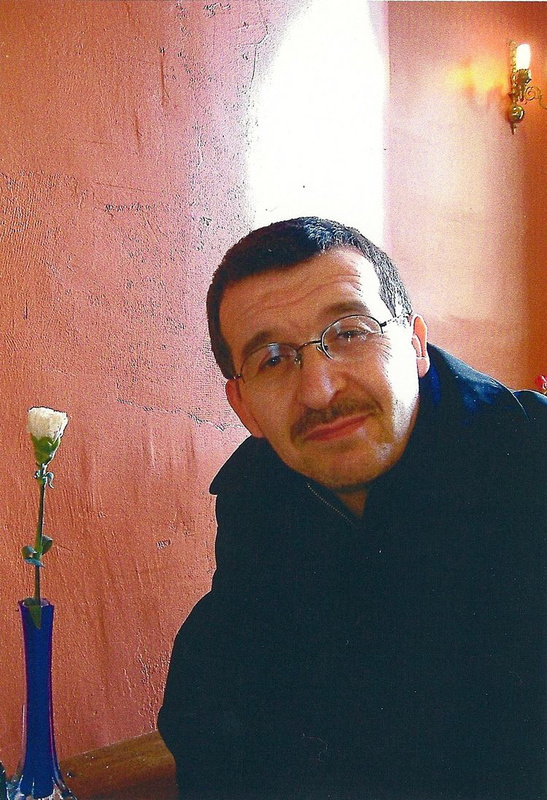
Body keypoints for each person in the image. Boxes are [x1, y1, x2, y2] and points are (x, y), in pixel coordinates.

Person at [158, 217, 546, 800]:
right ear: (243, 406)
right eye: (272, 359)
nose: (319, 389)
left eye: (349, 332)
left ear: (415, 344)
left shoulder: (528, 463)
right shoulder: (259, 506)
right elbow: (217, 732)